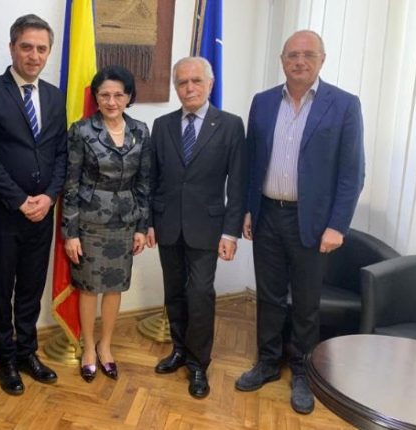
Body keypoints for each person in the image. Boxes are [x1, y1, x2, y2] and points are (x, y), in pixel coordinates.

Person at [235, 30, 365, 414]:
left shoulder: (343, 105)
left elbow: (352, 172)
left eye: (308, 54)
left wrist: (338, 225)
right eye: (292, 55)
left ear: (322, 59)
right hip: (267, 214)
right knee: (269, 295)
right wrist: (248, 209)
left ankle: (304, 372)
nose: (299, 61)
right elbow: (251, 161)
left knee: (306, 302)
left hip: (313, 221)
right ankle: (267, 362)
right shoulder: (262, 102)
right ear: (282, 60)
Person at [0, 14, 66, 395]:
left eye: (41, 48)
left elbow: (61, 154)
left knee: (30, 287)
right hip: (4, 214)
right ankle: (5, 358)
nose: (34, 55)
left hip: (43, 213)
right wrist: (20, 200)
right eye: (27, 46)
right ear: (12, 48)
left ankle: (27, 352)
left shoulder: (55, 96)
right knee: (1, 289)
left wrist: (49, 197)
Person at [147, 57, 247, 399]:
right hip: (168, 225)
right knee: (174, 292)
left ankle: (198, 363)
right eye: (182, 82)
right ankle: (178, 350)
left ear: (210, 84)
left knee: (200, 294)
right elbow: (153, 179)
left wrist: (230, 233)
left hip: (208, 227)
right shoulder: (162, 125)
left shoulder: (230, 125)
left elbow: (238, 184)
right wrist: (149, 222)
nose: (189, 88)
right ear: (176, 87)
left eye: (196, 81)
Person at [62, 65, 151, 383]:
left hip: (125, 221)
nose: (111, 102)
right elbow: (70, 184)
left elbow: (144, 182)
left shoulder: (141, 130)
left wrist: (141, 226)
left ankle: (106, 346)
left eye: (118, 95)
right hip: (90, 222)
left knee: (114, 287)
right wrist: (70, 233)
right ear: (96, 98)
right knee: (89, 288)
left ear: (129, 97)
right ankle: (88, 348)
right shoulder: (82, 130)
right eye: (104, 95)